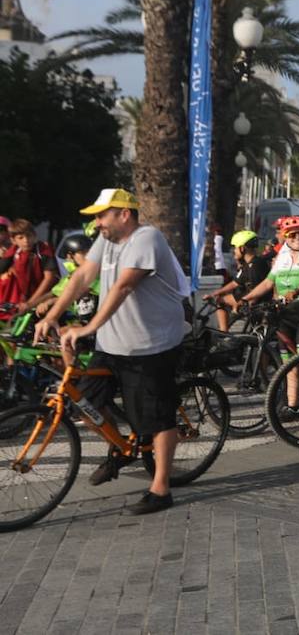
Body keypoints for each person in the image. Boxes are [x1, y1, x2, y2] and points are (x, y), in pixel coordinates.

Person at [34, 188, 187, 516]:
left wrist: (87, 328)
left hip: (150, 345)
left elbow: (124, 286)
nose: (97, 222)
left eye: (102, 215)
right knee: (85, 401)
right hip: (112, 343)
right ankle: (120, 448)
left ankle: (161, 489)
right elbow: (81, 277)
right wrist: (51, 316)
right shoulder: (107, 241)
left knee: (157, 417)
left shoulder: (147, 238)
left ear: (124, 214)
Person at [240, 215, 299, 418]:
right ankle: (292, 407)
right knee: (289, 363)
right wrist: (246, 299)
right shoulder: (282, 257)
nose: (297, 238)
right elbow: (267, 283)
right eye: (292, 235)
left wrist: (297, 291)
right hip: (285, 313)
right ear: (286, 237)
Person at [208, 230, 272, 332]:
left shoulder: (255, 265)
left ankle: (223, 332)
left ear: (242, 248)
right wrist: (215, 293)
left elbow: (257, 291)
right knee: (219, 300)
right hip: (246, 297)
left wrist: (241, 305)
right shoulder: (247, 264)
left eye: (235, 248)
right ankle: (223, 332)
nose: (234, 251)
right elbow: (235, 282)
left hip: (257, 302)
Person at [32, 233, 100, 322]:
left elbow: (84, 293)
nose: (89, 256)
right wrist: (33, 305)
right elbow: (56, 293)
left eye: (90, 252)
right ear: (69, 256)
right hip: (82, 322)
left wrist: (53, 301)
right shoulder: (70, 277)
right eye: (83, 253)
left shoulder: (100, 272)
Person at [0, 218, 59, 309]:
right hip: (26, 301)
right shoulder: (14, 251)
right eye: (21, 238)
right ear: (13, 240)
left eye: (29, 235)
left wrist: (31, 303)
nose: (26, 240)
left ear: (34, 235)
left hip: (47, 297)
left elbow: (49, 279)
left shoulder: (43, 250)